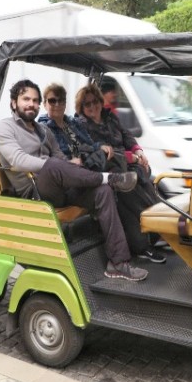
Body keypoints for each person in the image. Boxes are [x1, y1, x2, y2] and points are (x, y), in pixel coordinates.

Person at [0, 79, 148, 281]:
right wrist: (54, 164)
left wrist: (72, 165)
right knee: (53, 164)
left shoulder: (43, 131)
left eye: (35, 100)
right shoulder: (4, 128)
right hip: (35, 191)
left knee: (103, 192)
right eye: (26, 99)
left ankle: (118, 263)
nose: (31, 104)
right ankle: (109, 178)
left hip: (61, 186)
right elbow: (19, 160)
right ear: (14, 102)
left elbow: (61, 159)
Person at [75, 83, 166, 263]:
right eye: (87, 104)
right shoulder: (82, 127)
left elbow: (126, 136)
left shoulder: (110, 117)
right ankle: (141, 246)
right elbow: (100, 153)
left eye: (95, 101)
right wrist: (130, 157)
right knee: (129, 195)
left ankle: (157, 230)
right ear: (82, 108)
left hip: (127, 166)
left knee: (147, 186)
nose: (92, 106)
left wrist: (138, 151)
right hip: (108, 170)